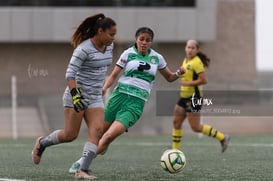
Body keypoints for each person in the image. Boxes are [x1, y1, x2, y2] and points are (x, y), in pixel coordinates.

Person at [68, 27, 185, 176]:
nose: (144, 42)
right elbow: (114, 75)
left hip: (136, 103)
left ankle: (80, 164)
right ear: (136, 40)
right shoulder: (128, 53)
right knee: (98, 134)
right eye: (141, 39)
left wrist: (178, 73)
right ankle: (97, 150)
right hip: (118, 97)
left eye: (147, 40)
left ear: (151, 42)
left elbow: (169, 78)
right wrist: (104, 88)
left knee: (109, 136)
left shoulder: (157, 58)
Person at [31, 13, 117, 179]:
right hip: (77, 96)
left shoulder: (110, 46)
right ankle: (42, 143)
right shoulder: (83, 49)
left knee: (97, 131)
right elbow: (69, 74)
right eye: (111, 34)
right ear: (100, 31)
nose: (113, 38)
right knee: (70, 135)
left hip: (95, 97)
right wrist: (75, 95)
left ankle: (82, 170)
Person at [171, 39, 230, 153]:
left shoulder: (197, 62)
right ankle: (175, 151)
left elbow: (204, 80)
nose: (190, 50)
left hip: (194, 98)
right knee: (176, 123)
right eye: (188, 47)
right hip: (183, 97)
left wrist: (187, 83)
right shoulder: (186, 60)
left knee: (196, 127)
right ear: (185, 48)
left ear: (197, 50)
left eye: (193, 48)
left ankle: (222, 138)